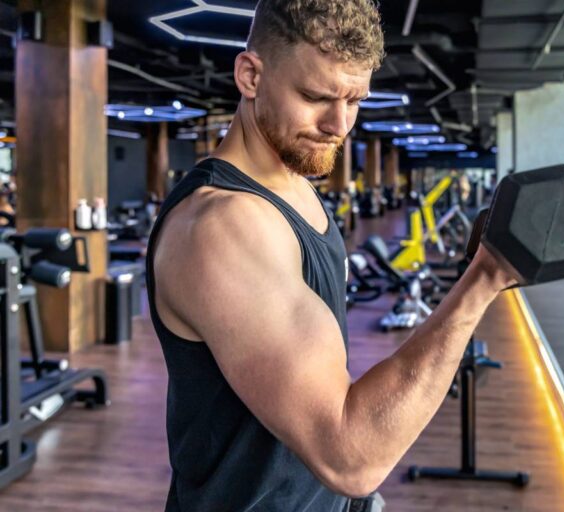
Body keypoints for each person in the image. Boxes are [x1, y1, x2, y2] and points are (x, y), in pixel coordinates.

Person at [147, 1, 516, 510]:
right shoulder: (222, 227)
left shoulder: (295, 186)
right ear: (251, 76)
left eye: (354, 99)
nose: (338, 124)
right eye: (315, 96)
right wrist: (484, 279)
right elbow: (350, 457)